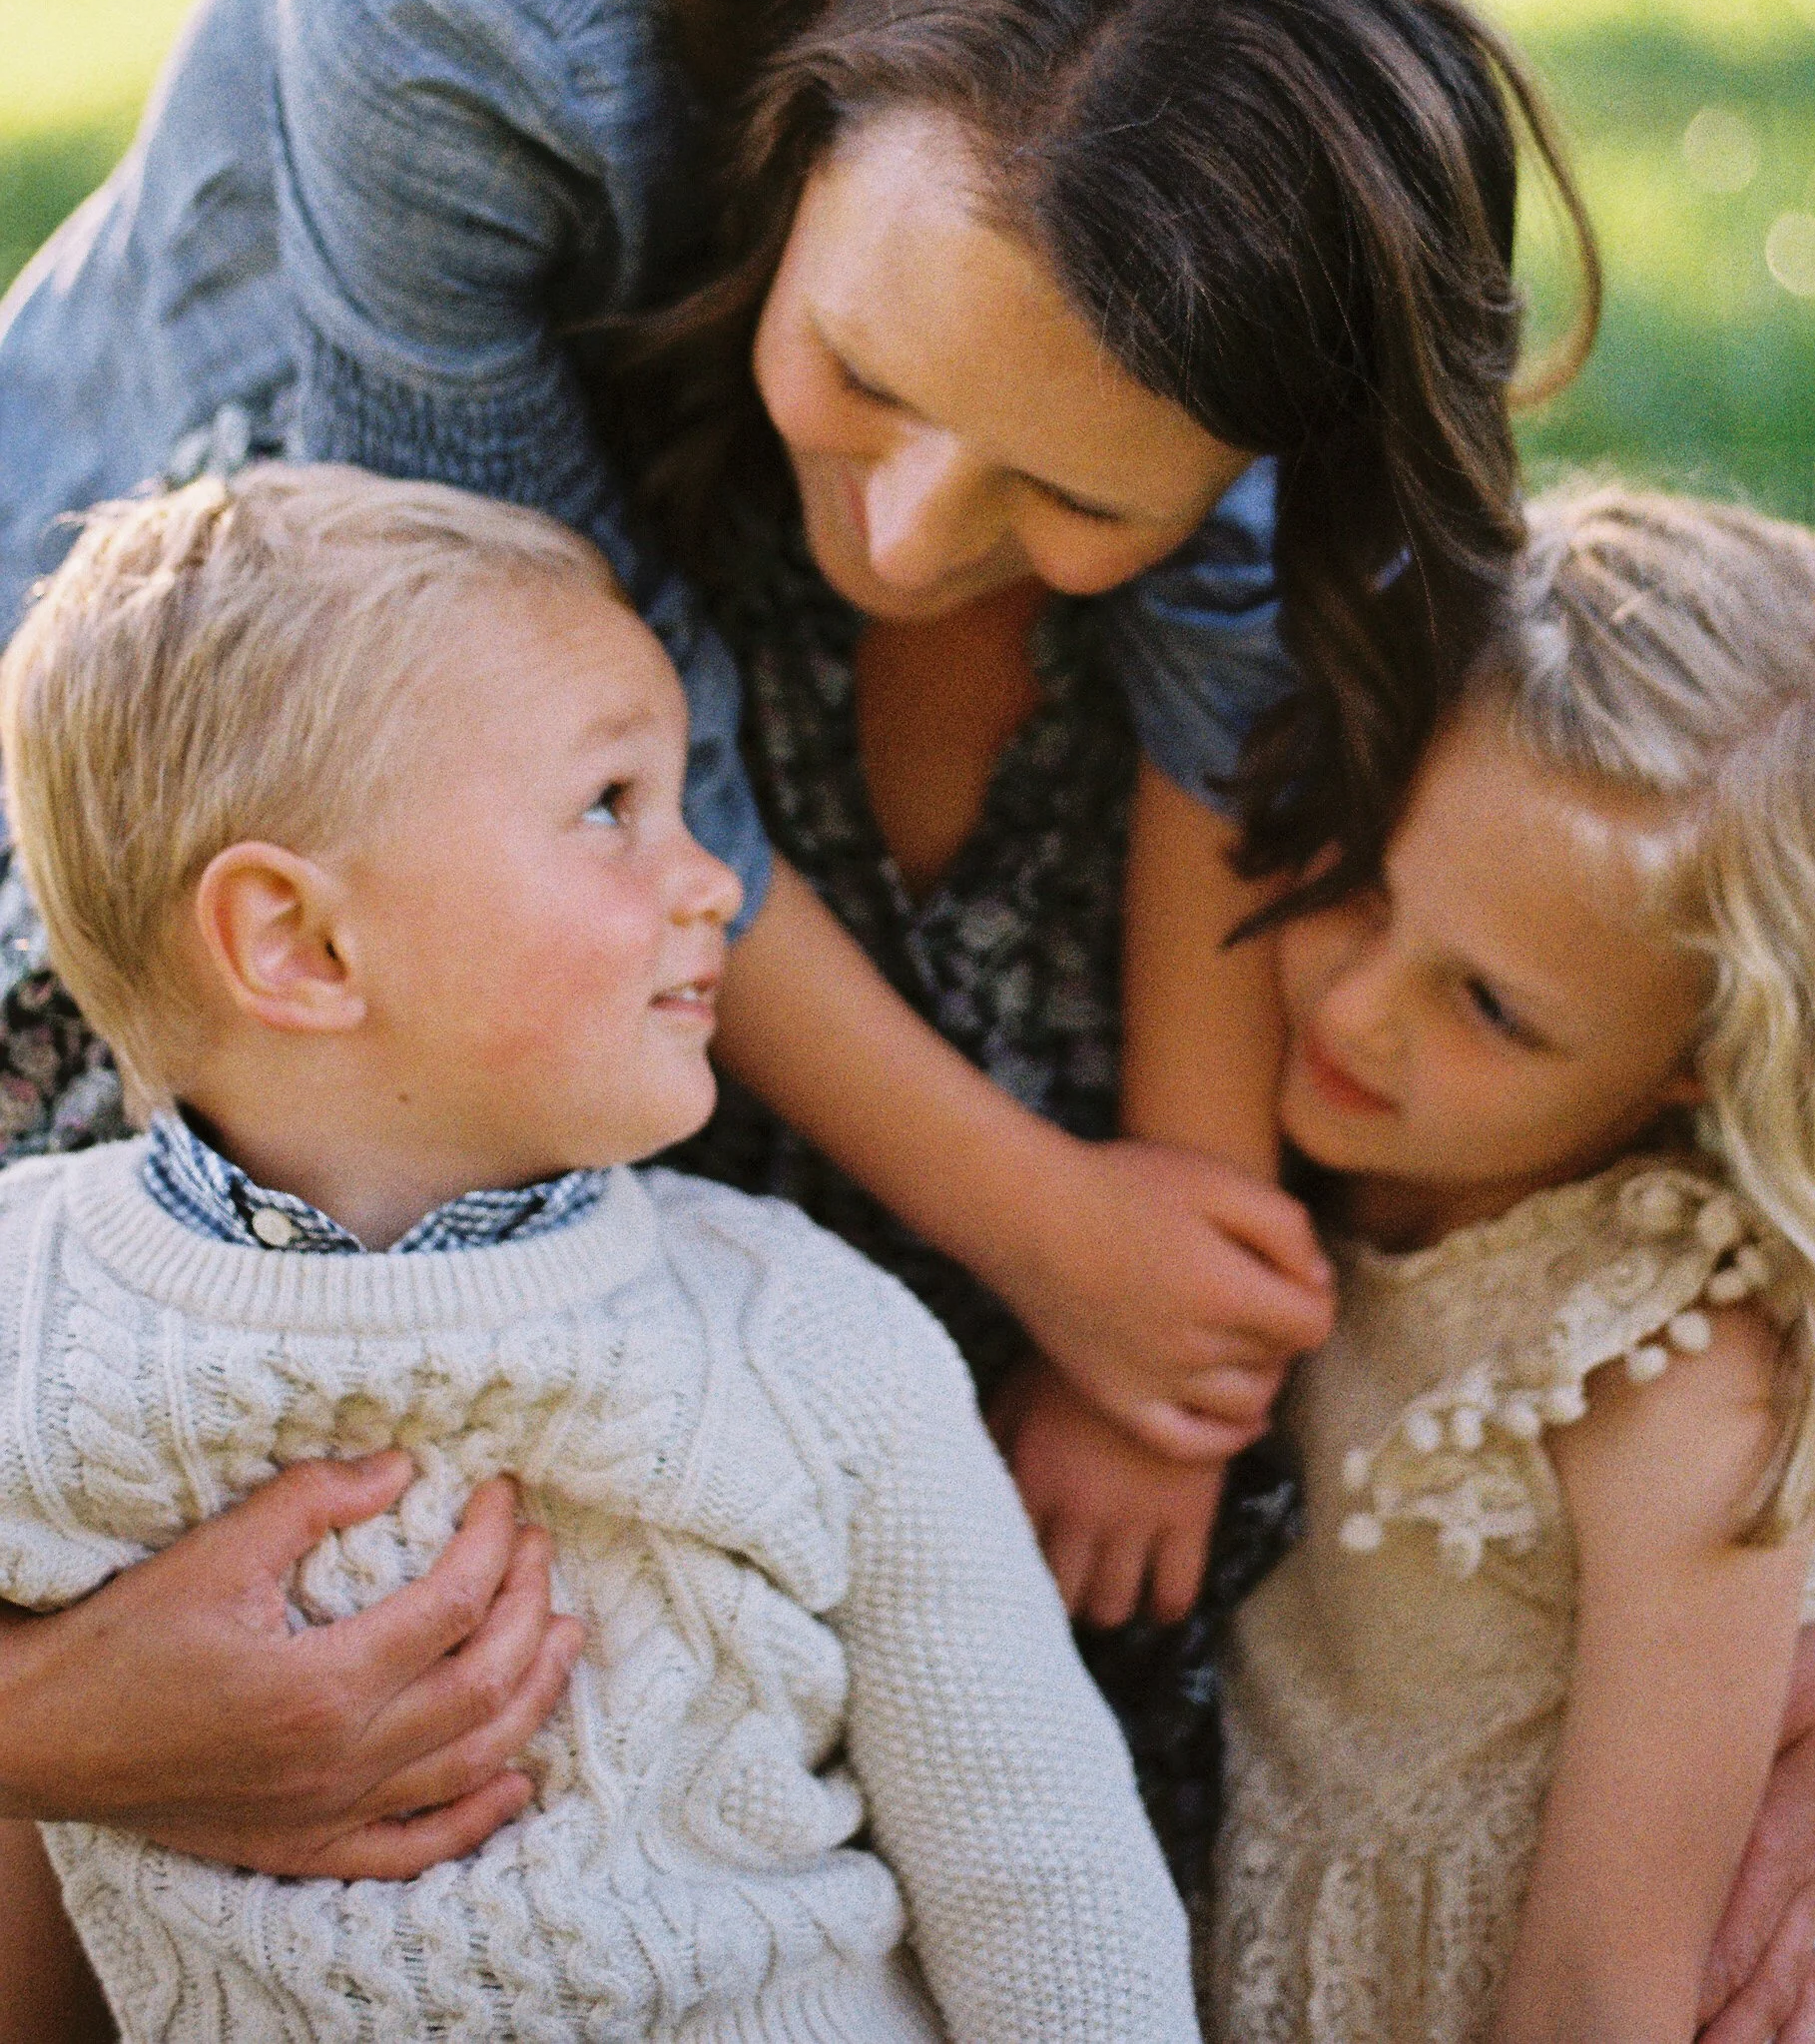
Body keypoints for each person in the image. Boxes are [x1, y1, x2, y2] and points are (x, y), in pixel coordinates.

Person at [0, 0, 1382, 1883]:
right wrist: (1039, 1217)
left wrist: (1174, 1286)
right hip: (224, 619)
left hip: (617, 677)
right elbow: (535, 695)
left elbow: (1234, 595)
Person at [0, 465, 1202, 2044]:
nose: (712, 879)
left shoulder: (812, 1338)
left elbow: (1045, 1881)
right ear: (301, 944)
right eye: (609, 807)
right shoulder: (31, 1309)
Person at [1209, 483, 1815, 2044]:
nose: (1358, 1008)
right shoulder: (1353, 1157)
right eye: (1368, 891)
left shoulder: (1671, 1368)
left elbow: (1605, 1992)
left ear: (1702, 1062)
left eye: (1491, 1006)